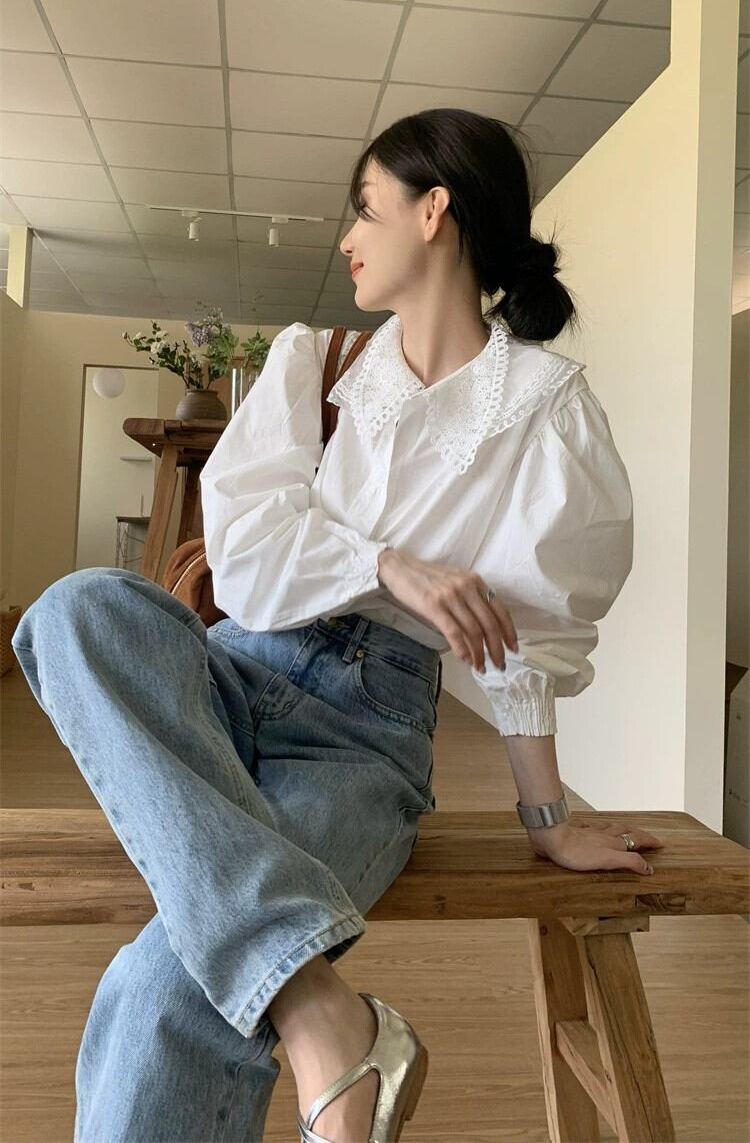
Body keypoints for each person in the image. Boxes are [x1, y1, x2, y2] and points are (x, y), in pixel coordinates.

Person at [13, 107, 662, 1143]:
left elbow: (528, 639)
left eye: (365, 208)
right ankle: (325, 1013)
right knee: (76, 608)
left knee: (164, 985)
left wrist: (547, 819)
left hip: (364, 735)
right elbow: (246, 550)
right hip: (232, 675)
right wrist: (387, 564)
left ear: (434, 209)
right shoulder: (316, 363)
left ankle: (312, 1010)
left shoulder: (547, 409)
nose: (349, 238)